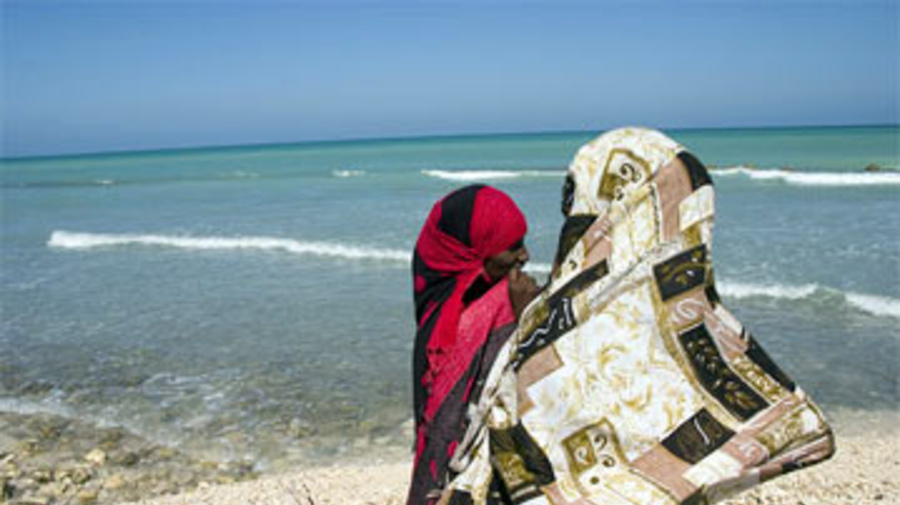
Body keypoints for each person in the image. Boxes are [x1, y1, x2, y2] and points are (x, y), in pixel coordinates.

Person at [407, 184, 541, 505]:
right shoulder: (468, 321)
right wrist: (528, 323)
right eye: (513, 246)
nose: (525, 256)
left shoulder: (446, 314)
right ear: (473, 252)